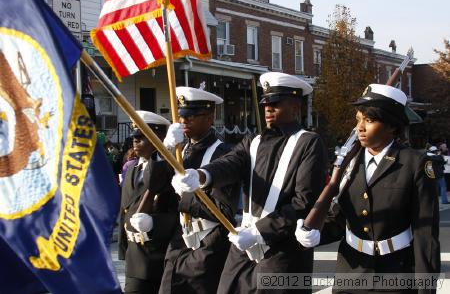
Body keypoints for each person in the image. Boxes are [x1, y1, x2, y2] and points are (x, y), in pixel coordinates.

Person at [171, 72, 328, 293]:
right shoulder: (254, 141)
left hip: (283, 251)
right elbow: (230, 163)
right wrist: (202, 175)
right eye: (266, 104)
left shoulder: (309, 143)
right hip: (244, 246)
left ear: (295, 107)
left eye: (275, 104)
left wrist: (259, 231)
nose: (268, 110)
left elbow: (304, 202)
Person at [296, 84, 441, 294]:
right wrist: (316, 233)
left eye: (369, 120)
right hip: (351, 272)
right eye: (358, 119)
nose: (360, 128)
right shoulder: (348, 163)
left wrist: (426, 288)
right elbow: (342, 218)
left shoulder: (414, 164)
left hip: (397, 273)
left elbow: (425, 233)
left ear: (392, 126)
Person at [158, 87, 241, 294]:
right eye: (181, 116)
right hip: (179, 242)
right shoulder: (180, 150)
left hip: (208, 244)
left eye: (192, 116)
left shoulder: (223, 155)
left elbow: (224, 211)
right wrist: (165, 148)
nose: (184, 121)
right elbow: (153, 184)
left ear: (210, 119)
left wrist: (187, 197)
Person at [118, 110, 179, 294]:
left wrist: (164, 150)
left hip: (157, 255)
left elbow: (176, 214)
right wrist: (123, 248)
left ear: (158, 138)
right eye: (134, 136)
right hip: (134, 258)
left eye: (142, 136)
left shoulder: (170, 170)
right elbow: (125, 210)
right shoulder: (131, 170)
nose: (135, 141)